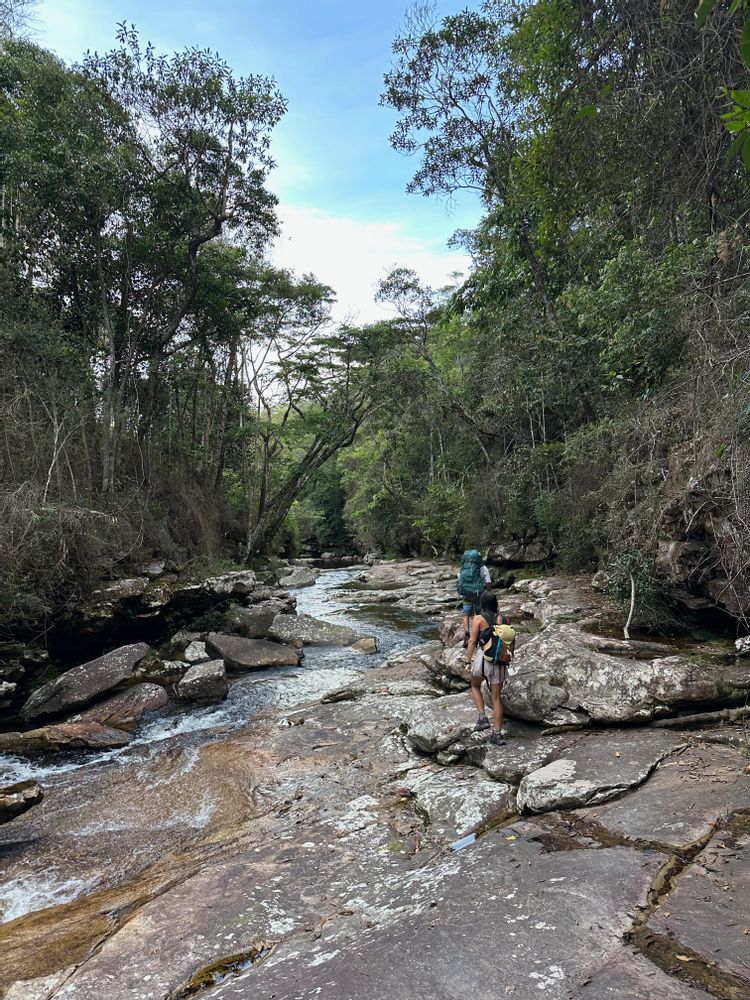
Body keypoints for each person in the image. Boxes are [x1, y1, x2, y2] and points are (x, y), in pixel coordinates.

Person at [464, 590, 509, 746]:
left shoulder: (478, 619)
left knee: (475, 685)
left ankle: (482, 718)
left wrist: (468, 661)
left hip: (484, 661)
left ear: (481, 604)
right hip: (500, 661)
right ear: (496, 603)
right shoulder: (504, 618)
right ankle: (497, 733)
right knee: (496, 698)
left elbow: (472, 641)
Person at [456, 549, 491, 647]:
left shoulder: (464, 567)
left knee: (466, 614)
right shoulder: (482, 567)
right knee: (479, 614)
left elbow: (460, 579)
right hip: (478, 594)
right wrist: (489, 592)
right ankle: (479, 636)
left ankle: (467, 635)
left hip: (466, 594)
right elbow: (488, 582)